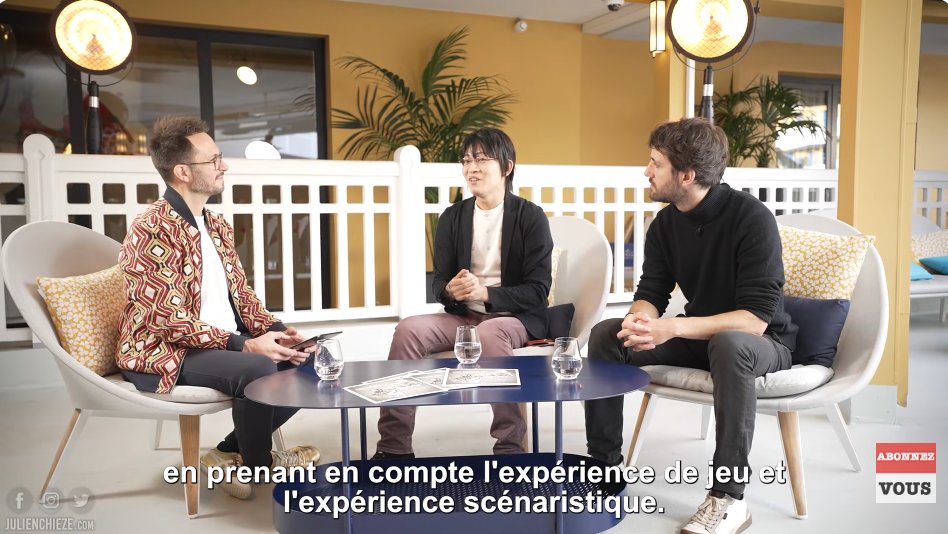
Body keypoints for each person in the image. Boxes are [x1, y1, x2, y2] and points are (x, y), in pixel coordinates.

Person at [584, 118, 798, 534]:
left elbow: (754, 321)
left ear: (687, 175)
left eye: (655, 163)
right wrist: (639, 320)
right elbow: (652, 290)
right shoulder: (665, 224)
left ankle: (728, 498)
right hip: (703, 339)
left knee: (730, 344)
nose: (646, 171)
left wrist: (671, 329)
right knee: (608, 335)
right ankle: (604, 472)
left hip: (761, 343)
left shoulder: (752, 218)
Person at [115, 116, 320, 499]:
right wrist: (246, 345)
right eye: (213, 160)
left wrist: (280, 332)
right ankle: (261, 468)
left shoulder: (216, 225)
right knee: (258, 368)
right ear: (182, 172)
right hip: (164, 351)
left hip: (220, 342)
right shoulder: (151, 228)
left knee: (312, 361)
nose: (223, 165)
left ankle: (226, 454)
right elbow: (165, 319)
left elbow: (242, 294)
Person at [373, 127, 553, 459]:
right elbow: (439, 283)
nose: (472, 168)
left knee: (489, 332)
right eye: (466, 160)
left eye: (481, 160)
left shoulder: (530, 217)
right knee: (408, 329)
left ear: (507, 167)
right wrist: (450, 290)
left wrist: (485, 293)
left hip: (513, 318)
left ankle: (511, 451)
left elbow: (538, 291)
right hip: (463, 317)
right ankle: (393, 448)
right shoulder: (453, 217)